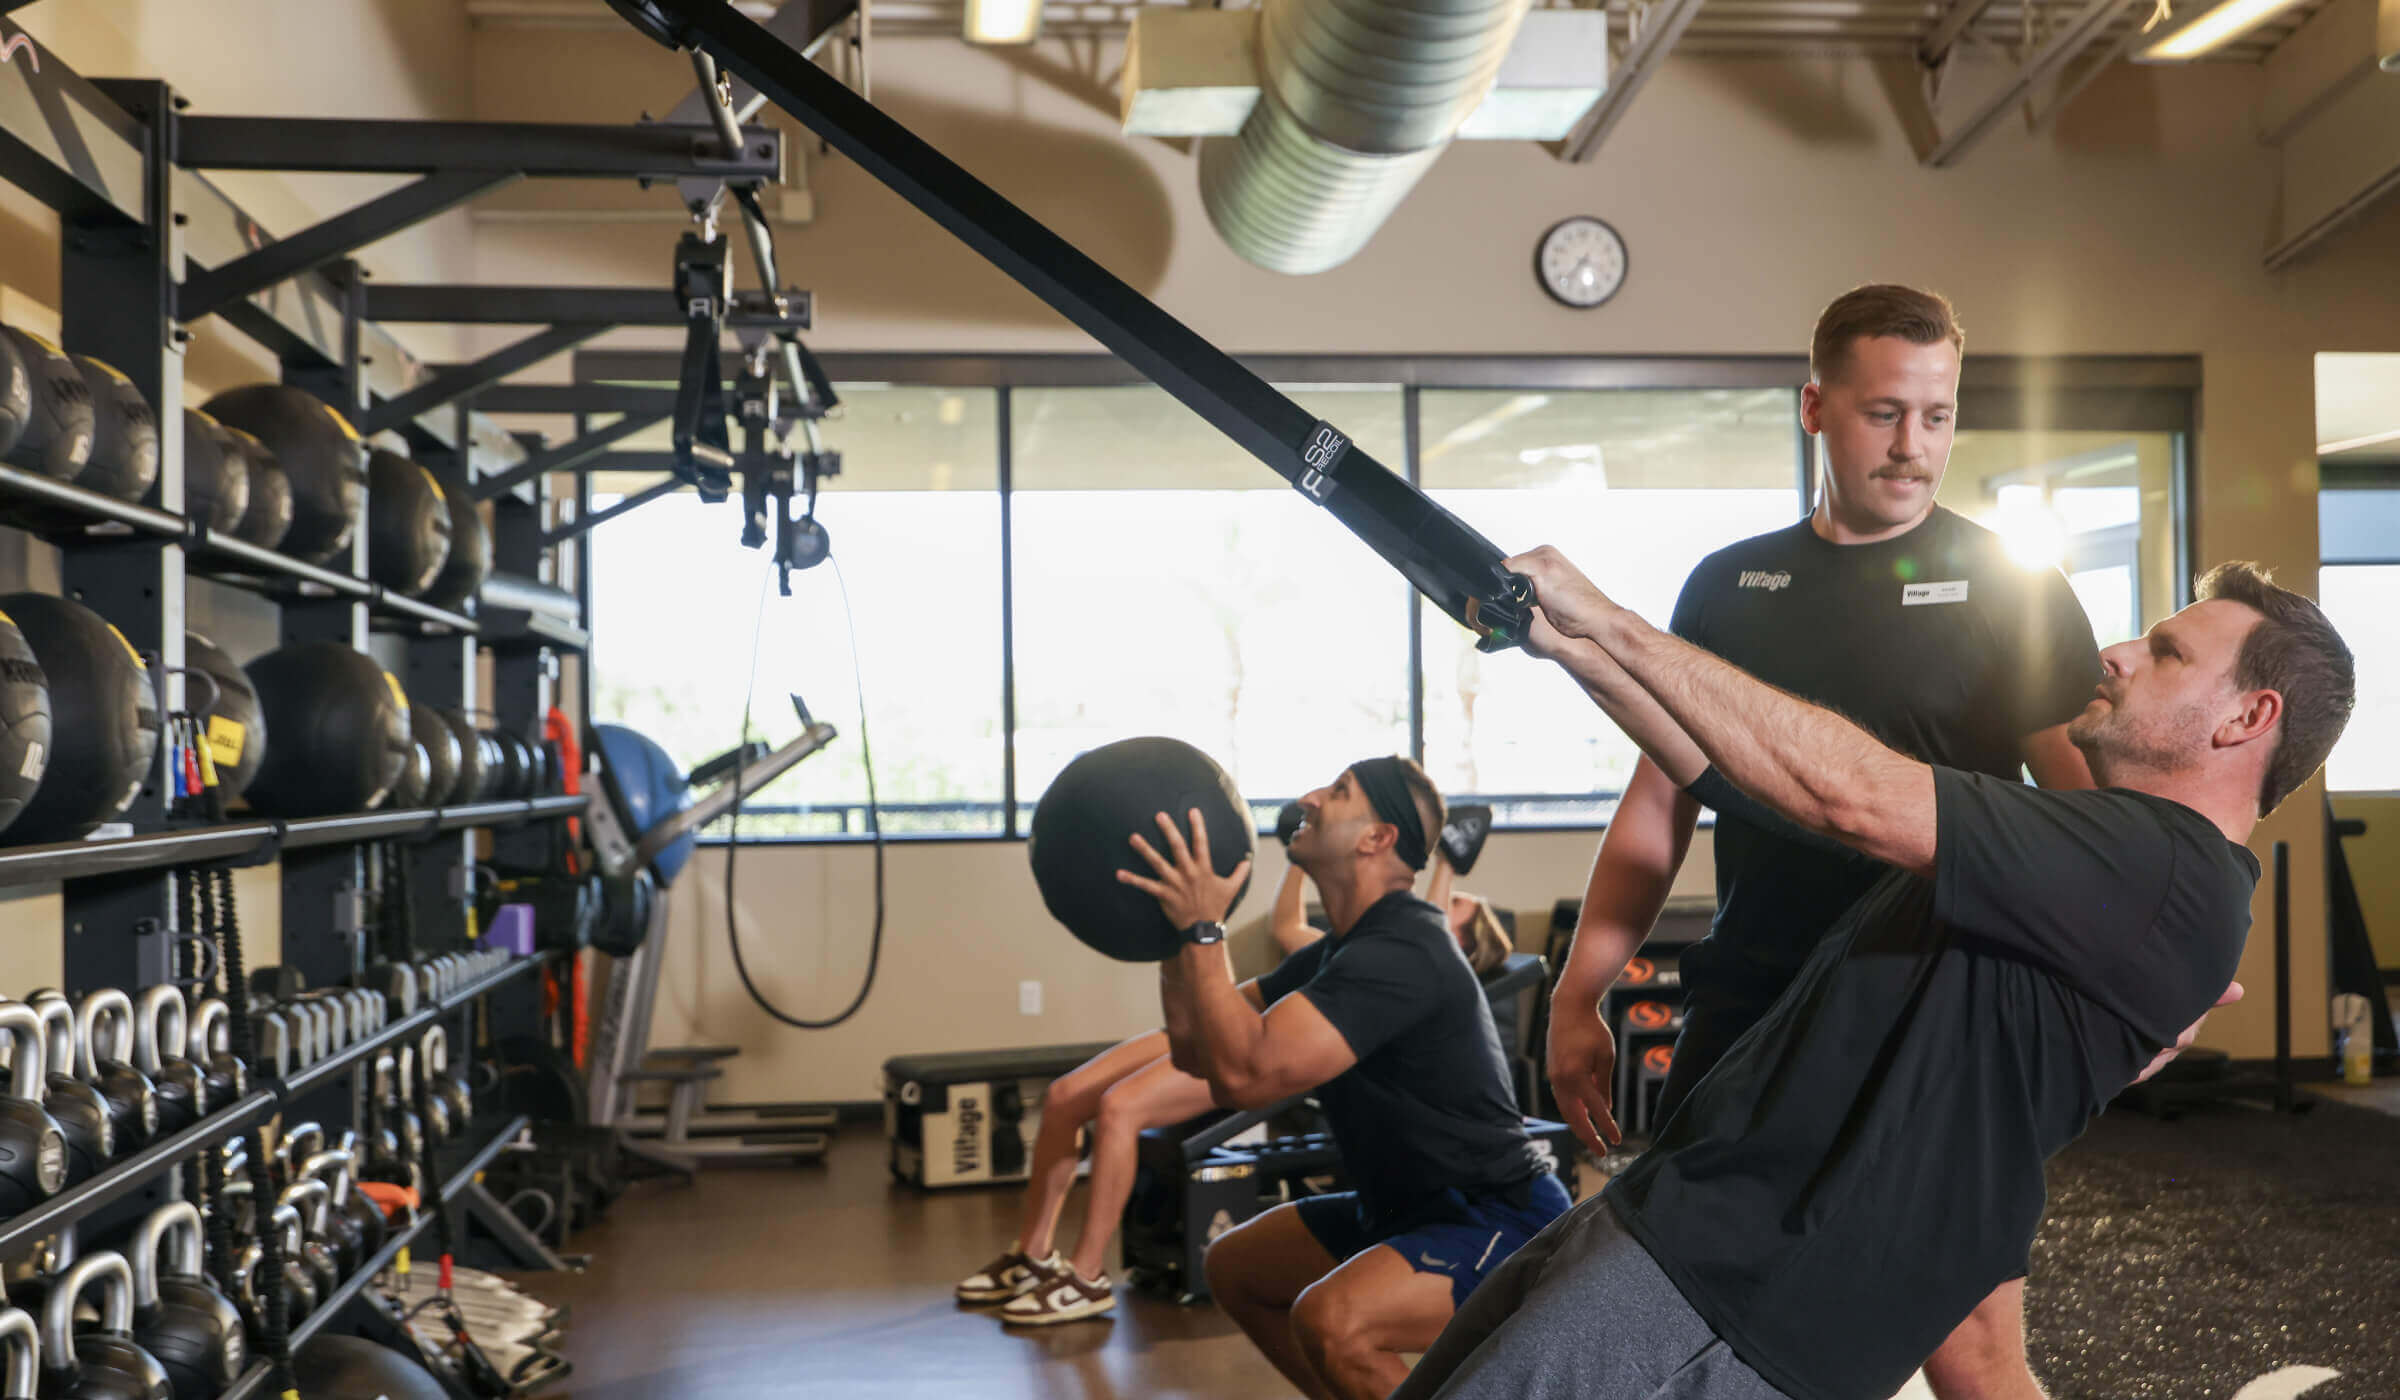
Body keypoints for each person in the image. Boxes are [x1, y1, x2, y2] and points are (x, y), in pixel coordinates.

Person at [1391, 551, 2353, 1400]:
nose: (2115, 654)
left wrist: (1610, 620)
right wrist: (1572, 646)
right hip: (1681, 1220)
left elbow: (1847, 790)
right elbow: (1733, 774)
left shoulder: (2167, 869)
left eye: (2166, 653)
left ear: (2249, 717)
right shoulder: (2100, 850)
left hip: (1742, 1293)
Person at [1544, 284, 2104, 1397]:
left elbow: (2085, 817)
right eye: (1885, 412)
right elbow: (1659, 803)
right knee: (1696, 1300)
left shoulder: (2014, 586)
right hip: (1753, 1001)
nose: (1915, 447)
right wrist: (1578, 990)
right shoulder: (1727, 587)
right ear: (1815, 407)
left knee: (1975, 1351)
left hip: (1936, 1010)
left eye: (1937, 416)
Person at [1118, 758, 1568, 1400]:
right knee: (1237, 1267)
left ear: (1376, 838)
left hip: (1497, 1218)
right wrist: (1173, 937)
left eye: (1337, 792)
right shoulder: (1337, 954)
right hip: (1403, 1211)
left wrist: (1204, 930)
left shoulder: (1404, 951)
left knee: (1335, 1322)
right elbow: (1198, 1052)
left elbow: (1247, 1079)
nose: (1309, 797)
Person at [957, 807, 1491, 1327]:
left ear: (1464, 944)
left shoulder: (1417, 957)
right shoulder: (1342, 948)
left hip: (1264, 1050)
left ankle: (1088, 1275)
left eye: (1456, 909)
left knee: (1120, 1107)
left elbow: (1430, 922)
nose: (1442, 907)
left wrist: (1447, 864)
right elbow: (1287, 925)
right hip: (1230, 1016)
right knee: (1067, 1095)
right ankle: (1031, 1254)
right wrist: (1300, 857)